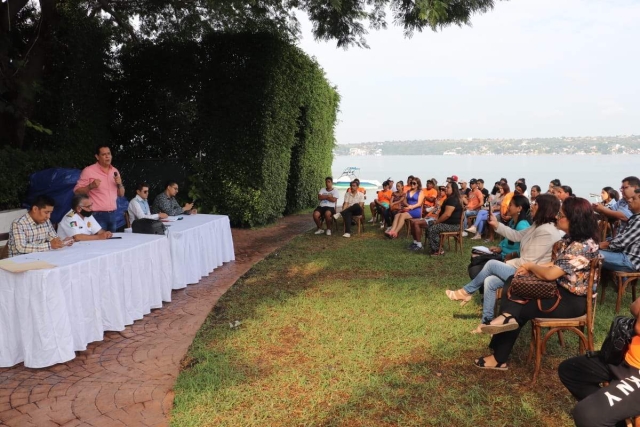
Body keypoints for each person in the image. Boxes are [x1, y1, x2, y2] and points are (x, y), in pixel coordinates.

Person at [474, 197, 599, 370]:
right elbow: (556, 264)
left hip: (571, 301)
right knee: (514, 280)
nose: (556, 217)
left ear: (574, 219)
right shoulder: (571, 240)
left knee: (519, 310)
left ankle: (499, 355)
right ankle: (504, 327)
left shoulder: (583, 246)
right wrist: (529, 269)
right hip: (558, 291)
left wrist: (531, 266)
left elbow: (551, 274)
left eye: (561, 215)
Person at [447, 194, 562, 328]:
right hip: (524, 269)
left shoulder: (546, 231)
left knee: (491, 264)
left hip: (532, 274)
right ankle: (486, 322)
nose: (532, 206)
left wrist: (504, 264)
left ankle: (466, 292)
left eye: (535, 204)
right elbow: (517, 235)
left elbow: (528, 261)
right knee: (489, 281)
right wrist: (496, 224)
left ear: (544, 208)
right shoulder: (538, 225)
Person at [558, 296, 640, 427]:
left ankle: (604, 412)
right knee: (570, 370)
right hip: (624, 357)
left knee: (587, 415)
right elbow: (635, 306)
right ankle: (616, 419)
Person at [73, 144, 125, 232]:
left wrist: (119, 184)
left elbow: (121, 194)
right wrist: (90, 186)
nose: (107, 156)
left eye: (109, 154)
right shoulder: (89, 171)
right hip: (96, 214)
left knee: (113, 244)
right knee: (98, 243)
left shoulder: (115, 171)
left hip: (112, 214)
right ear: (97, 157)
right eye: (104, 154)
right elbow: (76, 192)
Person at [7, 195, 73, 257]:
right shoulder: (18, 224)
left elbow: (54, 239)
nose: (48, 216)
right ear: (35, 209)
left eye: (50, 213)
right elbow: (21, 248)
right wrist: (49, 245)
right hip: (19, 262)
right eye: (46, 212)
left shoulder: (46, 221)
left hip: (40, 257)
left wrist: (62, 241)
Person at [598, 189, 640, 273]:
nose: (629, 200)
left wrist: (598, 246)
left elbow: (620, 242)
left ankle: (586, 285)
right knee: (588, 251)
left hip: (630, 261)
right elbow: (619, 239)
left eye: (634, 198)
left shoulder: (638, 220)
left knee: (588, 253)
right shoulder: (635, 218)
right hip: (623, 255)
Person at [426, 181, 463, 256]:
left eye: (448, 187)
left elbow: (447, 214)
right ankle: (434, 246)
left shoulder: (452, 199)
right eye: (446, 187)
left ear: (454, 189)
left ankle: (438, 250)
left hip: (453, 226)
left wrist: (437, 222)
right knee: (429, 225)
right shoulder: (451, 198)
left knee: (433, 228)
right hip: (448, 223)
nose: (446, 189)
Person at [406, 180, 439, 250]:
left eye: (443, 190)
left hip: (432, 214)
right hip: (426, 210)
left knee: (416, 223)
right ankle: (415, 242)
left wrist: (424, 196)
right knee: (412, 222)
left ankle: (419, 245)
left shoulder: (438, 195)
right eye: (427, 183)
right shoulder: (423, 190)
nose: (428, 185)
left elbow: (431, 200)